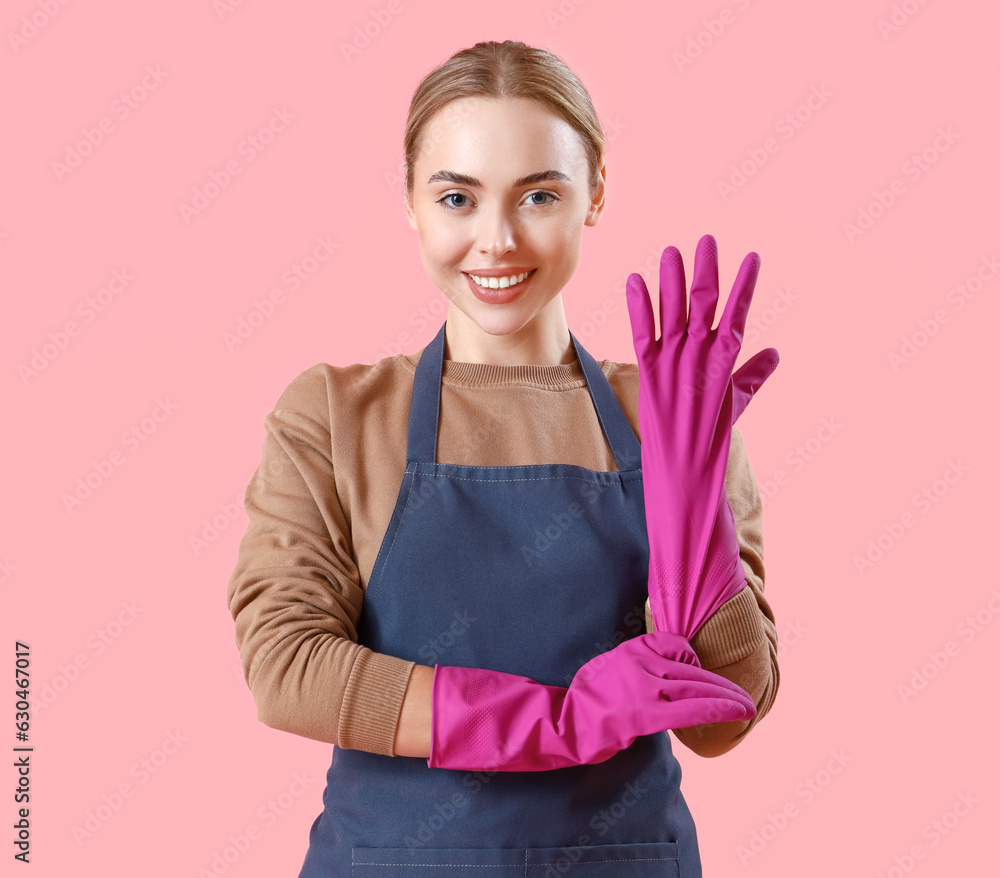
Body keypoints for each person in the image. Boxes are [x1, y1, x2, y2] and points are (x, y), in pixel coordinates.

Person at [227, 39, 779, 877]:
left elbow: (725, 718)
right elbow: (287, 666)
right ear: (410, 201)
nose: (496, 241)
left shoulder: (669, 417)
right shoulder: (336, 415)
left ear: (595, 194)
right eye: (457, 198)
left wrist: (692, 504)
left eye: (539, 195)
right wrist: (557, 724)